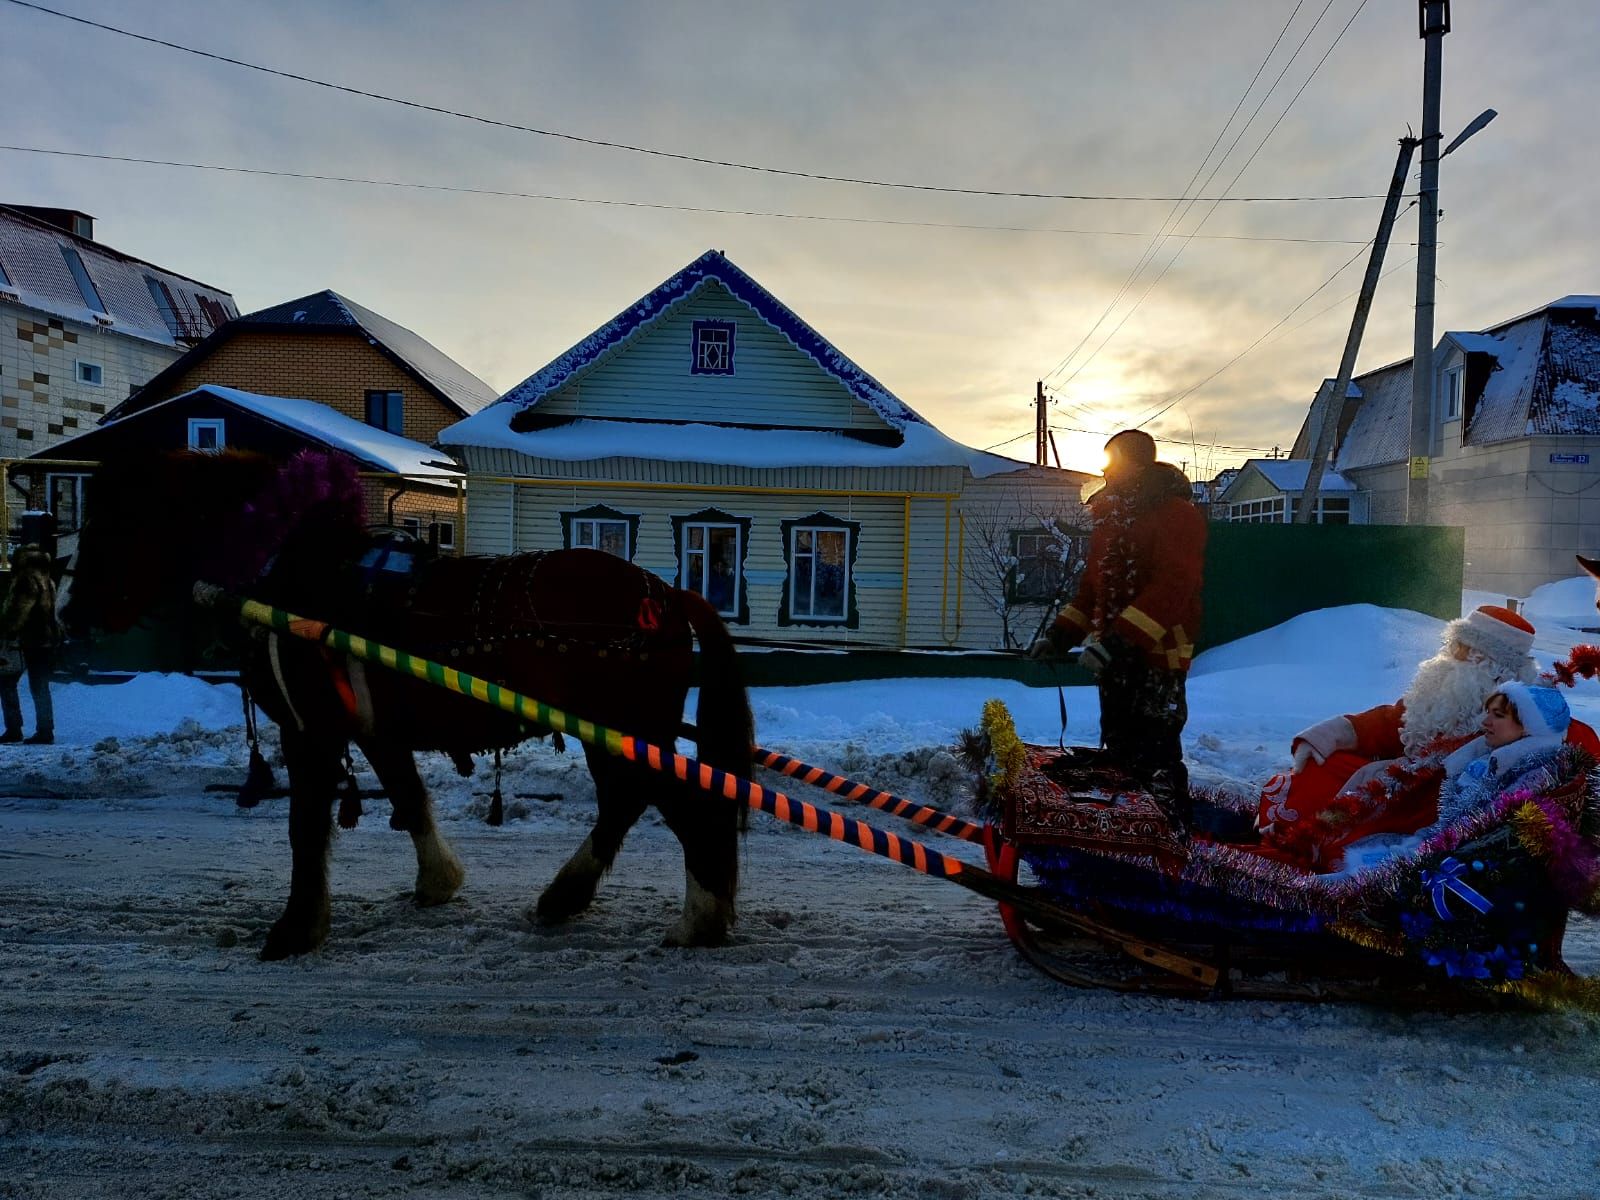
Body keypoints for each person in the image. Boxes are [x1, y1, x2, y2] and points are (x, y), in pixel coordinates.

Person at [1029, 429, 1208, 817]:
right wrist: (1060, 638)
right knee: (1121, 754)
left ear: (1138, 464)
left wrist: (1118, 642)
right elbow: (1091, 590)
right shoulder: (1109, 520)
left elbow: (1173, 589)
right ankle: (1128, 832)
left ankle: (1169, 839)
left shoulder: (1177, 515)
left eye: (1113, 461)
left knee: (1156, 757)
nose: (1104, 469)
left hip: (1157, 662)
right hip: (1114, 662)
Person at [0, 544, 62, 745]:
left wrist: (7, 632)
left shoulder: (25, 580)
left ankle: (14, 728)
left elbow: (18, 610)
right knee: (40, 686)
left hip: (24, 639)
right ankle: (45, 729)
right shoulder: (48, 580)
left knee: (7, 682)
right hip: (46, 639)